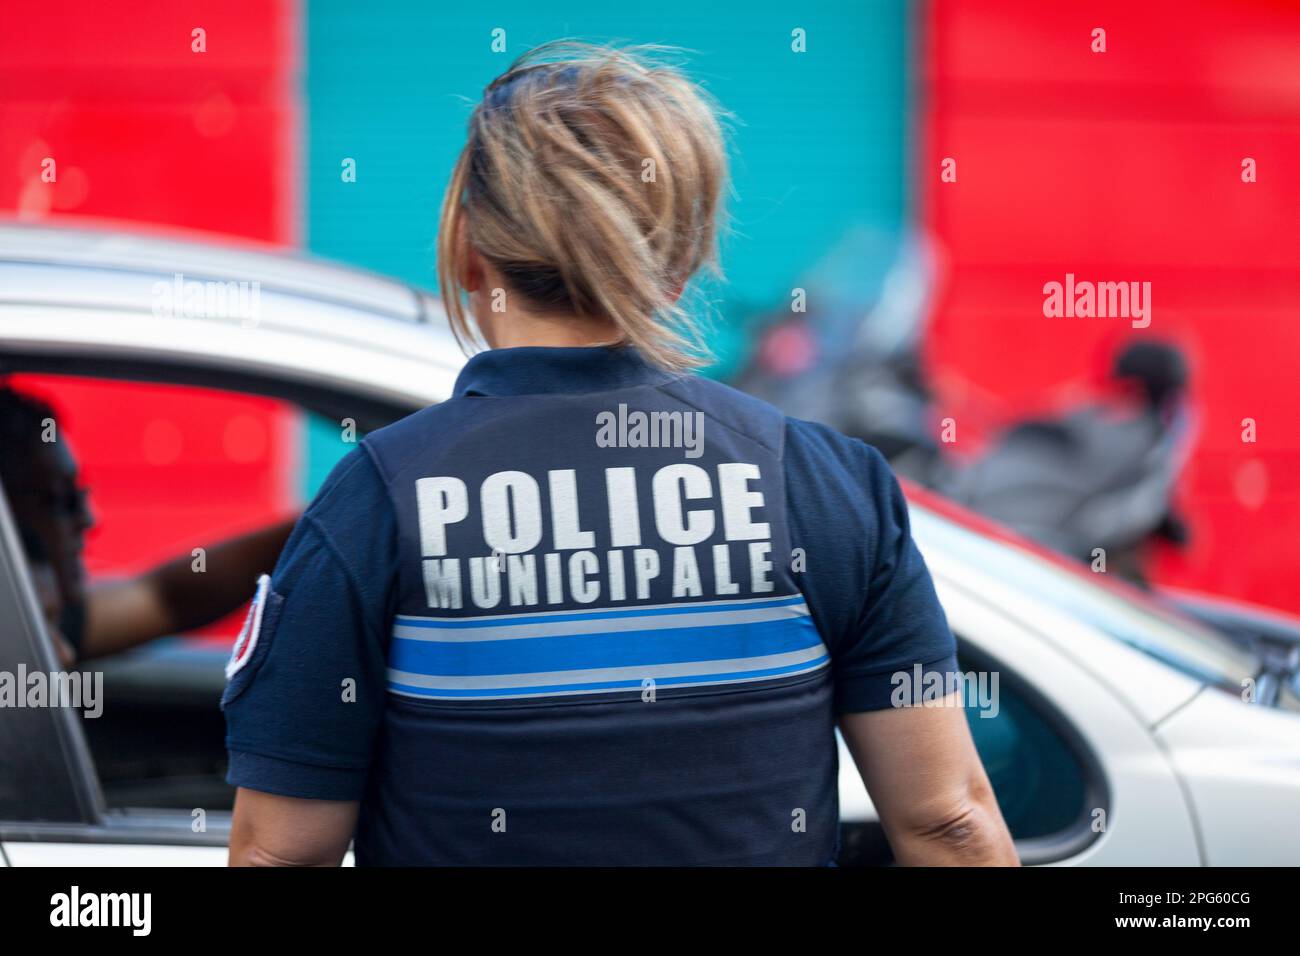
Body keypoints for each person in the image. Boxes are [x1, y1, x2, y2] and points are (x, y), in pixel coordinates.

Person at [224, 42, 1018, 866]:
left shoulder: (378, 499)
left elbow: (281, 855)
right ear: (677, 268)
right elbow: (949, 828)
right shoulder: (825, 487)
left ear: (466, 249)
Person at [0, 385, 295, 666]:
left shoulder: (44, 613)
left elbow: (168, 598)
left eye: (79, 495)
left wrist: (317, 517)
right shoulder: (28, 621)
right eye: (62, 501)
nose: (89, 519)